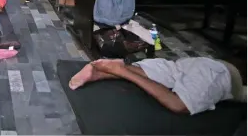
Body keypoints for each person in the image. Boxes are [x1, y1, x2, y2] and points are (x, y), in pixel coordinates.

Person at [69, 57, 246, 115]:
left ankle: (102, 71)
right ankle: (121, 70)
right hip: (223, 73)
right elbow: (179, 105)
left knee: (168, 72)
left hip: (198, 63)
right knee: (179, 104)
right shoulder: (219, 77)